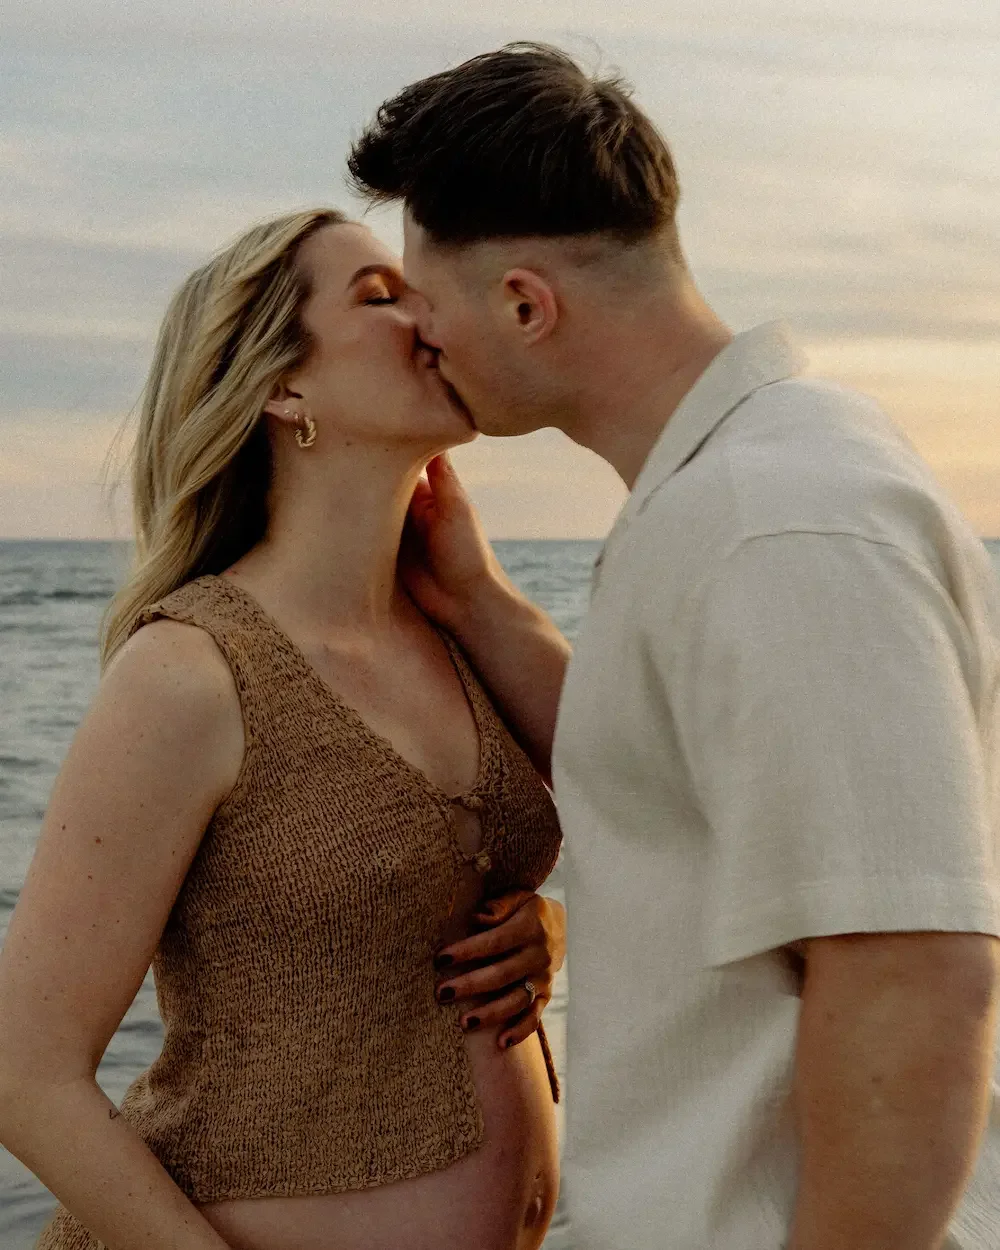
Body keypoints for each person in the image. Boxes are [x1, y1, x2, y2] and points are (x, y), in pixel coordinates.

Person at [348, 42, 1000, 1250]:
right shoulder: (732, 490)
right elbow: (671, 777)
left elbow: (909, 975)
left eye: (430, 323)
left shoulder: (779, 522)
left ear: (525, 304)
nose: (422, 351)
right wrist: (482, 603)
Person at [0, 208, 568, 1250]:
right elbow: (24, 1069)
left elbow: (654, 800)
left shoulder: (456, 626)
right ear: (281, 385)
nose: (425, 313)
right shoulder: (192, 671)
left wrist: (542, 926)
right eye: (377, 294)